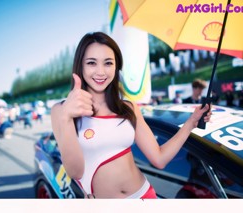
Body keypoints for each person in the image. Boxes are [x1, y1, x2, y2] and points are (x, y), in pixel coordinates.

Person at [50, 32, 211, 199]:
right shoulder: (61, 111)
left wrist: (191, 122)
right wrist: (67, 117)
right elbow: (75, 172)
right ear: (80, 66)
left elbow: (159, 159)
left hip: (145, 196)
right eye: (91, 63)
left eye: (108, 63)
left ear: (116, 67)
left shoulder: (128, 108)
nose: (100, 72)